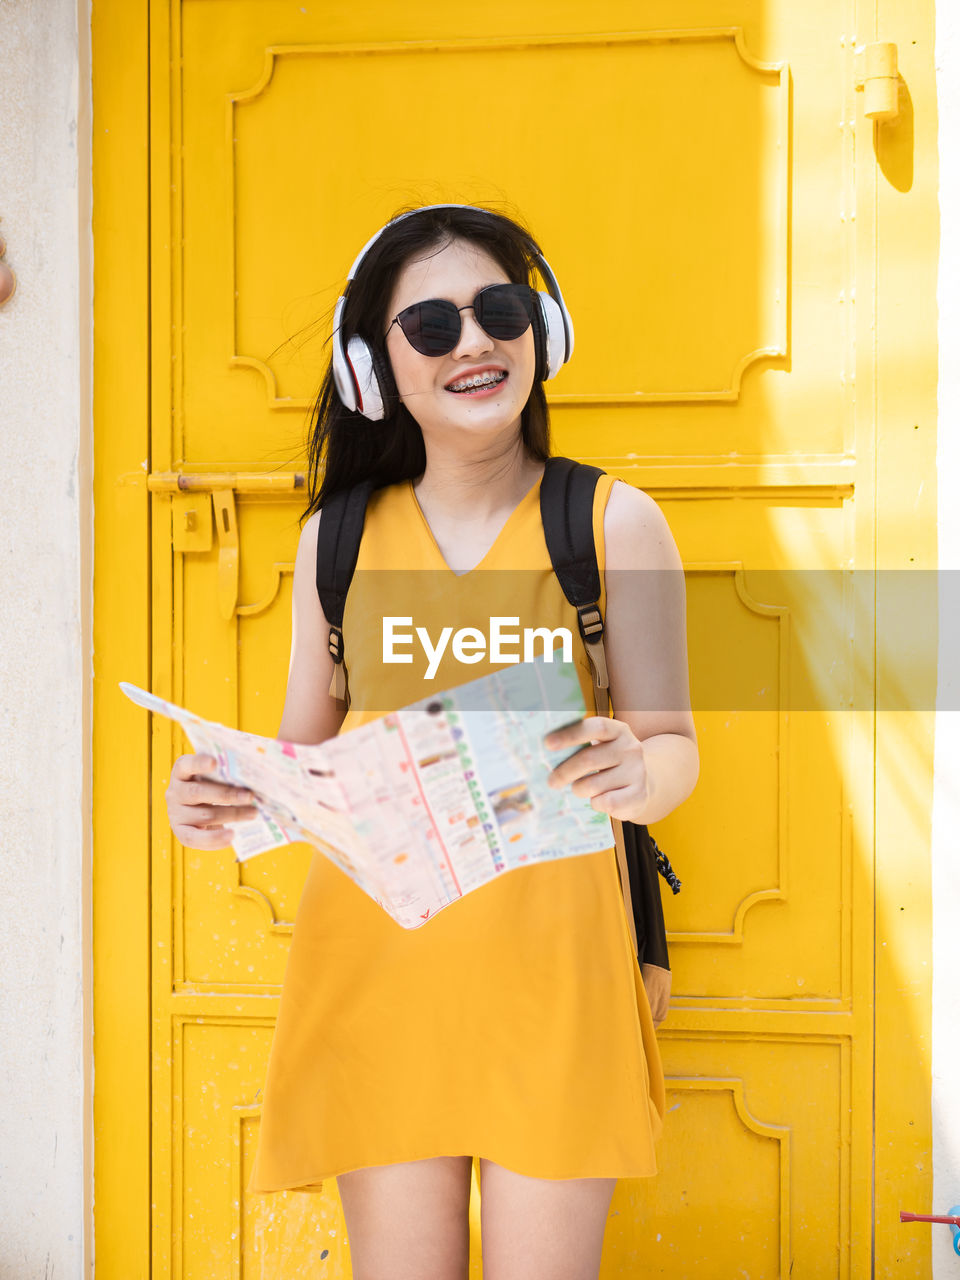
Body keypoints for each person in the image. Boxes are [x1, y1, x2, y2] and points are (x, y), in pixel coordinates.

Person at [164, 204, 699, 1280]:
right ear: (374, 368)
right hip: (380, 978)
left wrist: (640, 772)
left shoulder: (613, 523)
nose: (475, 342)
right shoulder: (340, 538)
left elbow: (673, 743)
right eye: (432, 325)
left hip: (559, 985)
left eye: (499, 310)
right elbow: (299, 760)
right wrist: (219, 797)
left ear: (541, 328)